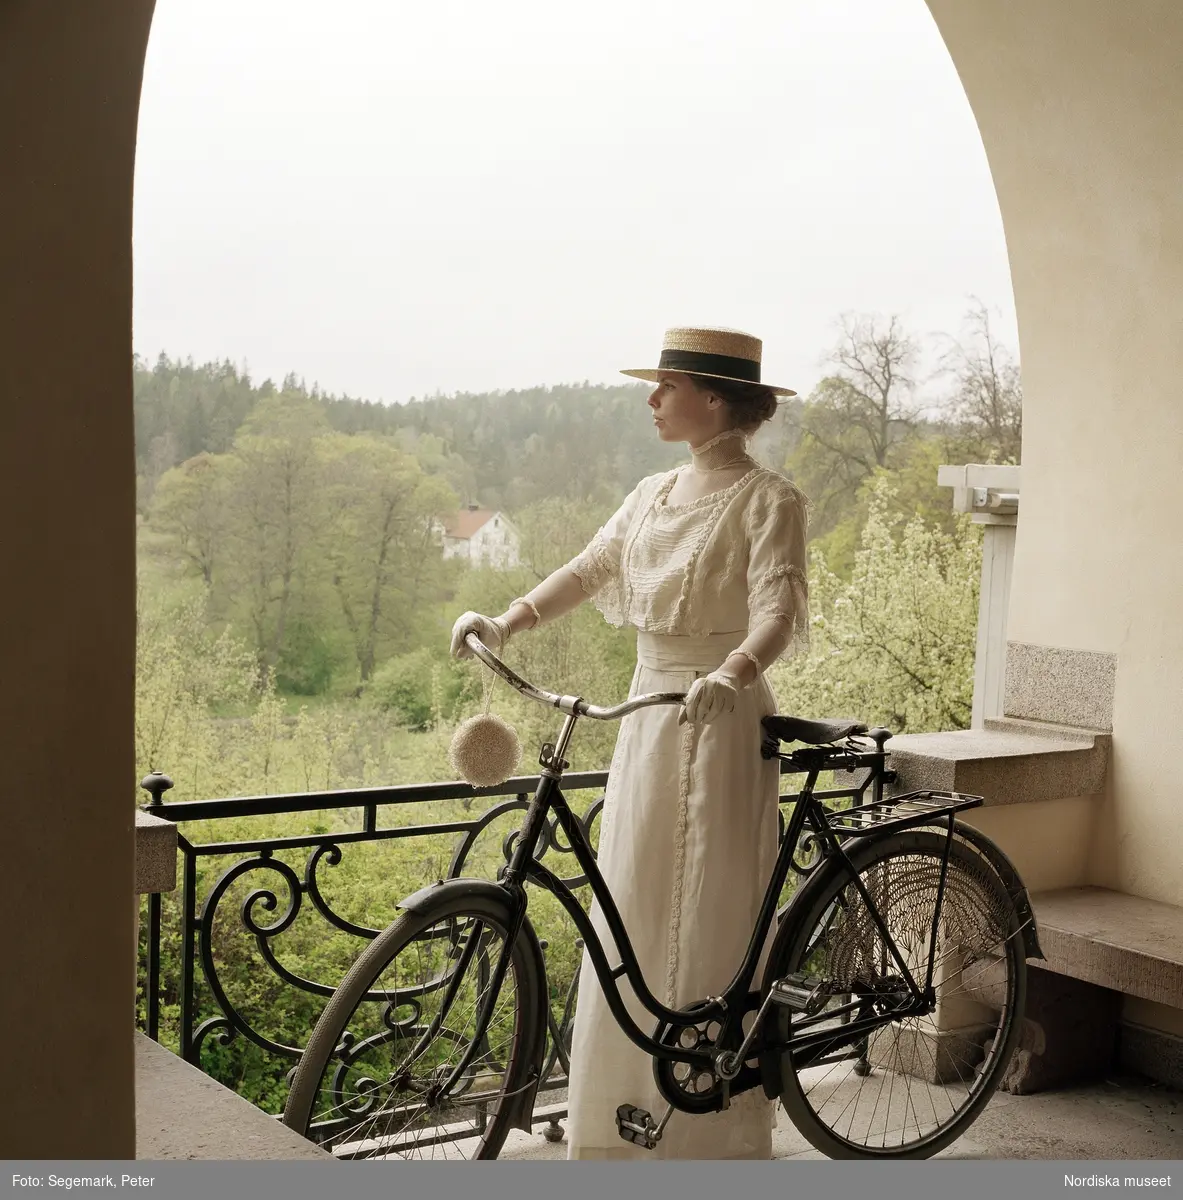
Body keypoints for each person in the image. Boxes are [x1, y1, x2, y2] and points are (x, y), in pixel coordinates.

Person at [449, 326, 810, 1160]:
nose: (651, 400)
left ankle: (701, 1115)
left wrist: (733, 669)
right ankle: (619, 1112)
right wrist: (506, 621)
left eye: (665, 386)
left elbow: (777, 609)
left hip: (721, 716)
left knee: (707, 899)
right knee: (634, 895)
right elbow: (588, 567)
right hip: (647, 716)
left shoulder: (768, 499)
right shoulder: (650, 493)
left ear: (712, 398)